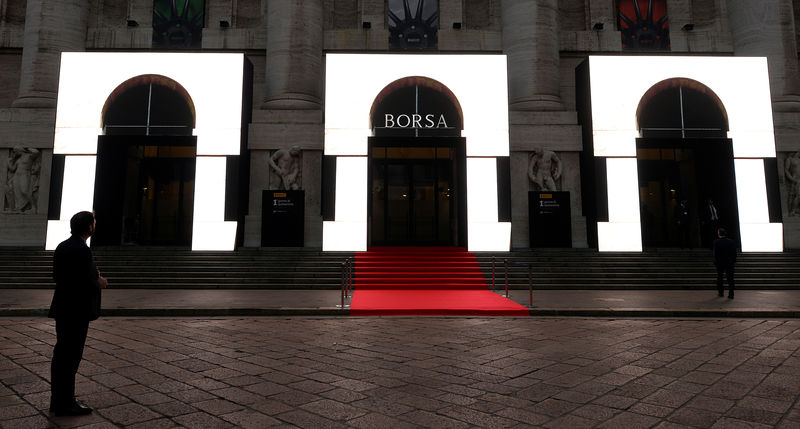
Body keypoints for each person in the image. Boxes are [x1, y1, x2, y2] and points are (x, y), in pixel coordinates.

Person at [49, 211, 108, 416]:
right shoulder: (83, 250)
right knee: (71, 357)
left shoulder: (62, 246)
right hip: (77, 311)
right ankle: (66, 404)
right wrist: (99, 282)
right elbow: (85, 282)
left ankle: (58, 400)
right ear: (90, 228)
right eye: (94, 222)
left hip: (63, 308)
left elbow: (57, 276)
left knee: (61, 356)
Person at [712, 227, 736, 299]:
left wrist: (716, 262)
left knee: (720, 278)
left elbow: (715, 253)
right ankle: (731, 294)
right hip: (729, 262)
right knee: (730, 279)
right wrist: (732, 261)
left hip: (720, 263)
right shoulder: (731, 241)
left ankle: (721, 293)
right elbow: (734, 253)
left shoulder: (716, 242)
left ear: (719, 233)